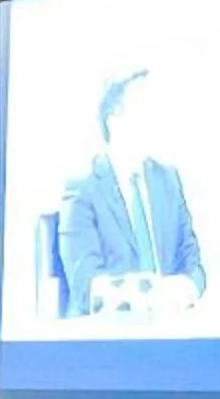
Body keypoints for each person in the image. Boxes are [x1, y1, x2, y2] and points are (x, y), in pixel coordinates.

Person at [56, 68, 205, 316]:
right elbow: (86, 289)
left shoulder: (167, 179)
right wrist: (152, 296)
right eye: (145, 109)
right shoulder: (82, 188)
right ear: (114, 119)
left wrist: (185, 287)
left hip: (170, 334)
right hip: (110, 343)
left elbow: (193, 266)